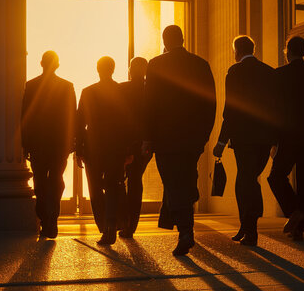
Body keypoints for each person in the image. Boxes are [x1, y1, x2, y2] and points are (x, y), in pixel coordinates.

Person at [142, 25, 216, 256]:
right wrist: (204, 135)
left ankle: (185, 230)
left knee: (173, 184)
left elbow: (149, 105)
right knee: (184, 180)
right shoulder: (201, 64)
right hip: (192, 139)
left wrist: (147, 138)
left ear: (164, 41)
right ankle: (186, 216)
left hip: (165, 139)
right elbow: (210, 103)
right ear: (183, 39)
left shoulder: (155, 65)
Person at [213, 35, 278, 246]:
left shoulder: (235, 71)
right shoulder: (269, 72)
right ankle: (249, 225)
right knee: (250, 179)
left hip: (243, 137)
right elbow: (276, 107)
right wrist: (276, 138)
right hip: (265, 137)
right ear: (253, 48)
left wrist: (222, 141)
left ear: (236, 51)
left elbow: (231, 108)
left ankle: (249, 227)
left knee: (245, 180)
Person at [267, 36, 304, 241]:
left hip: (287, 135)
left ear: (287, 52)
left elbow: (273, 109)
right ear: (303, 52)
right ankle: (299, 227)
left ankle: (293, 212)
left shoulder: (278, 75)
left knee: (276, 176)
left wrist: (273, 140)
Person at [21, 51, 76, 239]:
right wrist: (71, 142)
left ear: (41, 63)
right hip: (59, 144)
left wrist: (25, 144)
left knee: (40, 182)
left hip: (38, 143)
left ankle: (45, 217)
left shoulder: (31, 86)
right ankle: (51, 219)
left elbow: (25, 117)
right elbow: (72, 117)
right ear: (57, 65)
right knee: (56, 180)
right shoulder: (67, 87)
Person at [76, 56, 131, 245]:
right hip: (115, 146)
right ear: (113, 69)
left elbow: (79, 123)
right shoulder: (121, 91)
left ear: (98, 69)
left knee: (96, 189)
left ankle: (106, 226)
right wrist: (128, 149)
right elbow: (127, 122)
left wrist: (78, 149)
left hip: (93, 147)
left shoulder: (88, 92)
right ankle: (111, 224)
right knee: (114, 185)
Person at [119, 57, 153, 238]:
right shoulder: (152, 90)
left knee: (121, 181)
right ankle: (132, 224)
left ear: (131, 70)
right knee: (135, 181)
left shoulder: (122, 89)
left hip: (125, 143)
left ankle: (124, 220)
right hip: (144, 143)